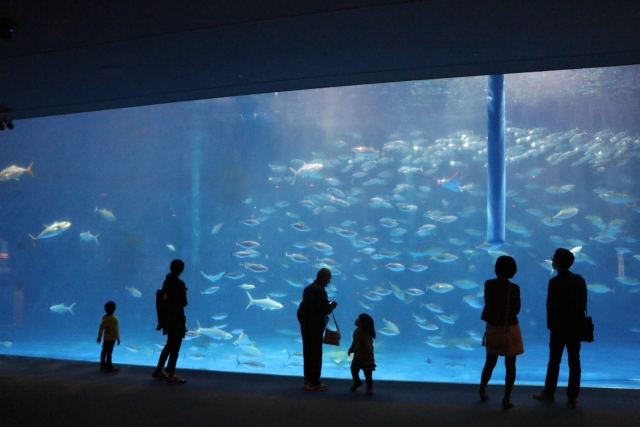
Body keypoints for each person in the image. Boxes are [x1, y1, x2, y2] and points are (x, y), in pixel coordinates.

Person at [533, 248, 587, 407]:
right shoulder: (579, 279)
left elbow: (551, 306)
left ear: (558, 262)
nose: (552, 260)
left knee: (554, 361)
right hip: (575, 327)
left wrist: (551, 325)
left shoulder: (554, 282)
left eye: (553, 258)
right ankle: (572, 397)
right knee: (574, 362)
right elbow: (583, 303)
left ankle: (549, 393)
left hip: (558, 328)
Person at [479, 255, 524, 410]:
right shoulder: (515, 288)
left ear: (496, 268)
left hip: (493, 328)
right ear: (513, 270)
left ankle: (482, 390)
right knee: (510, 365)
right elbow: (517, 309)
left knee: (490, 362)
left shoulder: (489, 284)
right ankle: (506, 399)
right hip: (509, 328)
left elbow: (488, 303)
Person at [296, 268, 338, 391]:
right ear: (324, 278)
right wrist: (332, 306)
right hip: (315, 327)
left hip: (306, 326)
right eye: (328, 279)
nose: (329, 282)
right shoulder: (321, 291)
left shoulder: (308, 289)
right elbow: (323, 310)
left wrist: (303, 322)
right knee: (315, 354)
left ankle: (307, 380)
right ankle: (314, 381)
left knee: (308, 353)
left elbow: (304, 307)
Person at [152, 259, 189, 384]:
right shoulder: (179, 283)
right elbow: (184, 303)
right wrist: (183, 292)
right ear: (182, 270)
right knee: (175, 347)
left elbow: (166, 299)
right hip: (176, 319)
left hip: (167, 319)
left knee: (169, 345)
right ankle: (171, 375)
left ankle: (158, 370)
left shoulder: (166, 282)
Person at [348, 313, 376, 396]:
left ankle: (369, 388)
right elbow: (354, 342)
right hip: (357, 355)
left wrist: (369, 356)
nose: (356, 319)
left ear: (362, 322)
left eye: (358, 318)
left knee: (368, 374)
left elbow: (368, 346)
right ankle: (357, 382)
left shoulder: (366, 333)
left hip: (366, 357)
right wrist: (351, 349)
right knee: (353, 370)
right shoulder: (356, 332)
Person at [97, 300, 120, 372]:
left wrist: (99, 337)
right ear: (114, 309)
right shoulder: (114, 319)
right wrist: (118, 338)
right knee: (109, 352)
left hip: (106, 338)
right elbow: (116, 330)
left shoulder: (104, 318)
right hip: (112, 339)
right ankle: (110, 366)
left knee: (103, 351)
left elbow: (101, 327)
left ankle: (102, 364)